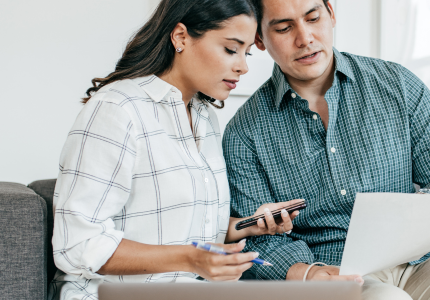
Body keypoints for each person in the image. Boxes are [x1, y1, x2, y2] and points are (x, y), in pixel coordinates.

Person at [222, 0, 430, 299]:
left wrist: (425, 205)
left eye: (313, 18)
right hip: (331, 270)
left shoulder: (398, 84)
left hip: (423, 260)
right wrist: (307, 274)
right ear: (259, 38)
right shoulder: (244, 132)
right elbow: (255, 241)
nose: (305, 38)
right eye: (284, 28)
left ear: (331, 13)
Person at [49, 1, 302, 299]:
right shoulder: (117, 110)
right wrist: (190, 259)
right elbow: (77, 245)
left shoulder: (204, 117)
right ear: (181, 37)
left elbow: (189, 231)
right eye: (231, 50)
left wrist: (248, 226)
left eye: (246, 53)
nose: (243, 66)